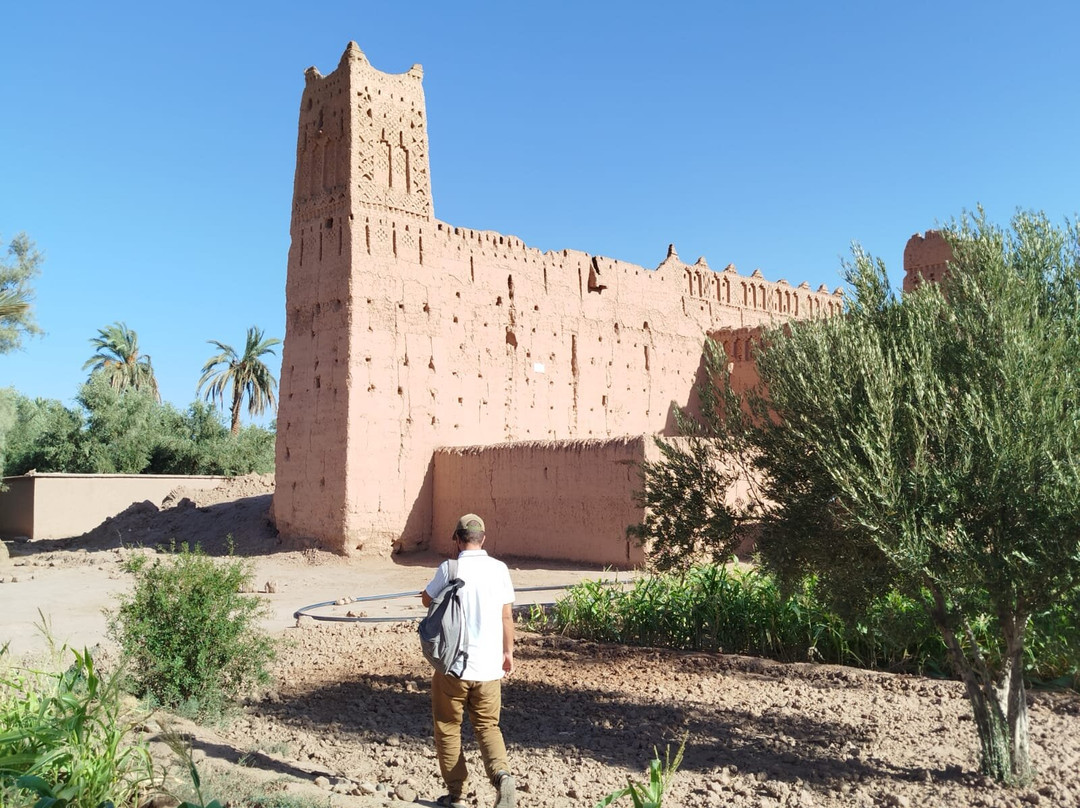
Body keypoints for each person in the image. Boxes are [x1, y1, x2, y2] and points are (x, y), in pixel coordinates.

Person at [422, 513, 516, 808]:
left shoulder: (450, 568)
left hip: (453, 666)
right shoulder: (499, 569)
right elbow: (506, 616)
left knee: (448, 726)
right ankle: (502, 776)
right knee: (488, 727)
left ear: (457, 540)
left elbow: (427, 600)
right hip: (489, 668)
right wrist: (508, 653)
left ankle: (456, 795)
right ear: (483, 539)